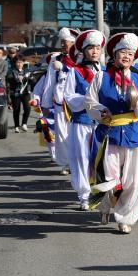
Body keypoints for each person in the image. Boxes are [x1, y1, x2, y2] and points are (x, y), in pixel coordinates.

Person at [85, 32, 138, 234]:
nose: (126, 56)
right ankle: (105, 207)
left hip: (134, 132)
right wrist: (100, 110)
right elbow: (89, 102)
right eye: (122, 52)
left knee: (134, 179)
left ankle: (125, 218)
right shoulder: (101, 77)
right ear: (114, 55)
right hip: (109, 132)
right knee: (108, 178)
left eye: (130, 54)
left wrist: (137, 102)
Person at [63, 30, 105, 210]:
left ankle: (101, 190)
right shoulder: (75, 71)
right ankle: (84, 194)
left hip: (102, 122)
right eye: (91, 48)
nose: (95, 52)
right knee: (81, 158)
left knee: (102, 158)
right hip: (82, 121)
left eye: (97, 48)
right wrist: (88, 100)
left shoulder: (105, 71)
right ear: (83, 51)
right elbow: (69, 96)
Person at [44, 28, 79, 174]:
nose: (64, 45)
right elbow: (49, 81)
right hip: (60, 102)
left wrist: (65, 67)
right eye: (63, 42)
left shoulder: (80, 57)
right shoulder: (56, 58)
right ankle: (67, 163)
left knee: (76, 134)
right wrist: (45, 104)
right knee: (62, 134)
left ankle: (79, 162)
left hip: (76, 103)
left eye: (67, 42)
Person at [6, 54, 34, 132]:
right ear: (15, 63)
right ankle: (16, 126)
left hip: (25, 92)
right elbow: (9, 79)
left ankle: (24, 124)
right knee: (17, 110)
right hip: (15, 92)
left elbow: (31, 80)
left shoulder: (26, 70)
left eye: (21, 62)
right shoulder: (11, 71)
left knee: (27, 108)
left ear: (23, 63)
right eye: (18, 62)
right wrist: (17, 78)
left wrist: (30, 78)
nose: (19, 64)